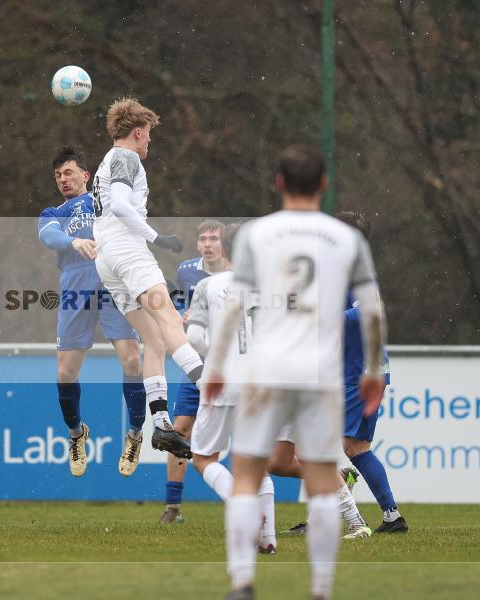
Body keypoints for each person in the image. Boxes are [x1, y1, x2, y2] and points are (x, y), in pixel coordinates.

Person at [204, 146, 388, 600]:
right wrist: (371, 369)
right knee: (322, 479)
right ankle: (321, 589)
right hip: (319, 372)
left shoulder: (258, 235)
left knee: (247, 473)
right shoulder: (345, 239)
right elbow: (374, 311)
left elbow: (234, 307)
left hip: (266, 369)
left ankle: (243, 582)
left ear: (279, 183)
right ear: (324, 185)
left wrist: (217, 364)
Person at [91, 97, 206, 460]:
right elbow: (123, 206)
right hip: (127, 251)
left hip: (106, 258)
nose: (149, 142)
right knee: (171, 320)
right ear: (137, 132)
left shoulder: (104, 162)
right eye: (149, 135)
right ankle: (212, 388)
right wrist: (157, 238)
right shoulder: (124, 157)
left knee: (154, 338)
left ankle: (161, 424)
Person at [38, 146, 147, 478]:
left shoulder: (104, 202)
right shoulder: (53, 212)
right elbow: (48, 236)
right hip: (75, 286)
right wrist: (73, 242)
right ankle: (76, 434)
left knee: (132, 361)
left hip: (113, 283)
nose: (63, 179)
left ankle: (135, 434)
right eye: (58, 175)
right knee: (64, 374)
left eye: (69, 172)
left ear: (86, 175)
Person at [183, 223, 279, 553]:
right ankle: (268, 540)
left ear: (223, 250)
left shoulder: (208, 286)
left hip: (220, 383)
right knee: (255, 463)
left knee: (203, 458)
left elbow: (194, 337)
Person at [334, 211, 406, 533]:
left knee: (322, 444)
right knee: (356, 447)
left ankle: (336, 515)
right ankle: (392, 517)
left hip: (356, 372)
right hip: (370, 368)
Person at [160, 219, 226, 525]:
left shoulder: (238, 274)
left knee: (255, 435)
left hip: (229, 367)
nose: (209, 243)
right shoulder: (186, 272)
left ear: (223, 244)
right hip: (196, 365)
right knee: (178, 431)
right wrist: (181, 316)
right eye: (204, 239)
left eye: (214, 238)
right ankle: (173, 508)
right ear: (198, 243)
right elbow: (173, 307)